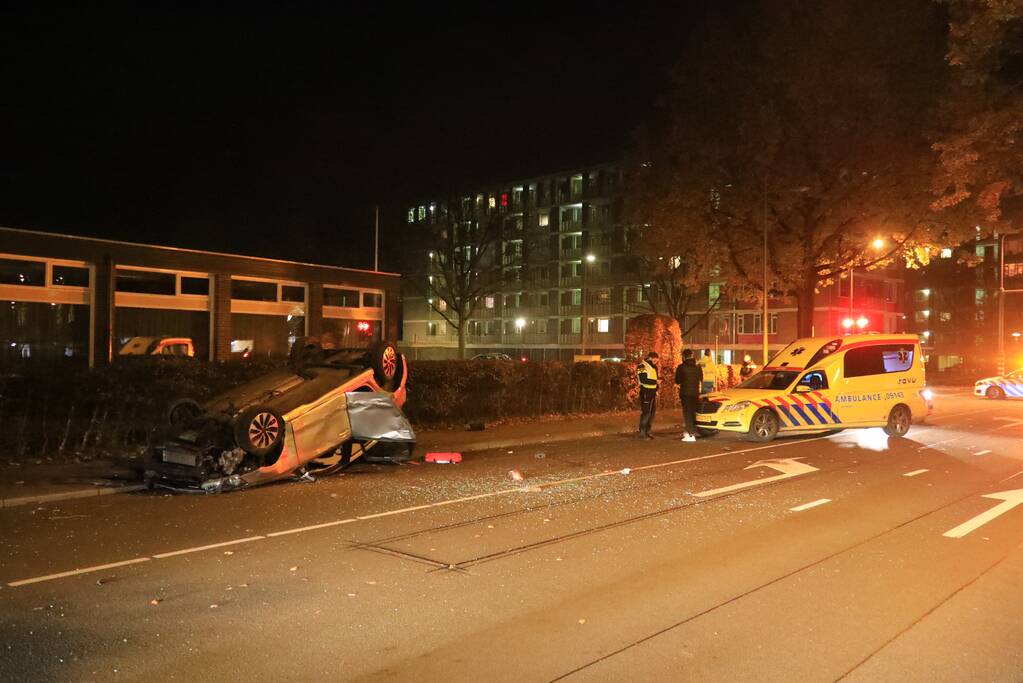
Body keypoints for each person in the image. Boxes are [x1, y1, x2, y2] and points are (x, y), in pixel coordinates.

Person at [675, 348, 703, 441]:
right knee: (693, 412)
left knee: (687, 413)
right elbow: (701, 378)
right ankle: (695, 430)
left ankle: (690, 434)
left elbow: (677, 380)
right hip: (695, 392)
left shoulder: (681, 367)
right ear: (692, 356)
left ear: (684, 357)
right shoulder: (698, 367)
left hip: (685, 393)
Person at [636, 351, 659, 439]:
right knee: (646, 413)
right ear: (650, 358)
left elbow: (654, 378)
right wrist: (656, 382)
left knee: (652, 413)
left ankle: (648, 431)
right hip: (646, 392)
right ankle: (642, 432)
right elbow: (643, 380)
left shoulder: (654, 367)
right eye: (655, 360)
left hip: (652, 392)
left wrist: (657, 387)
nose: (656, 362)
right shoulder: (642, 366)